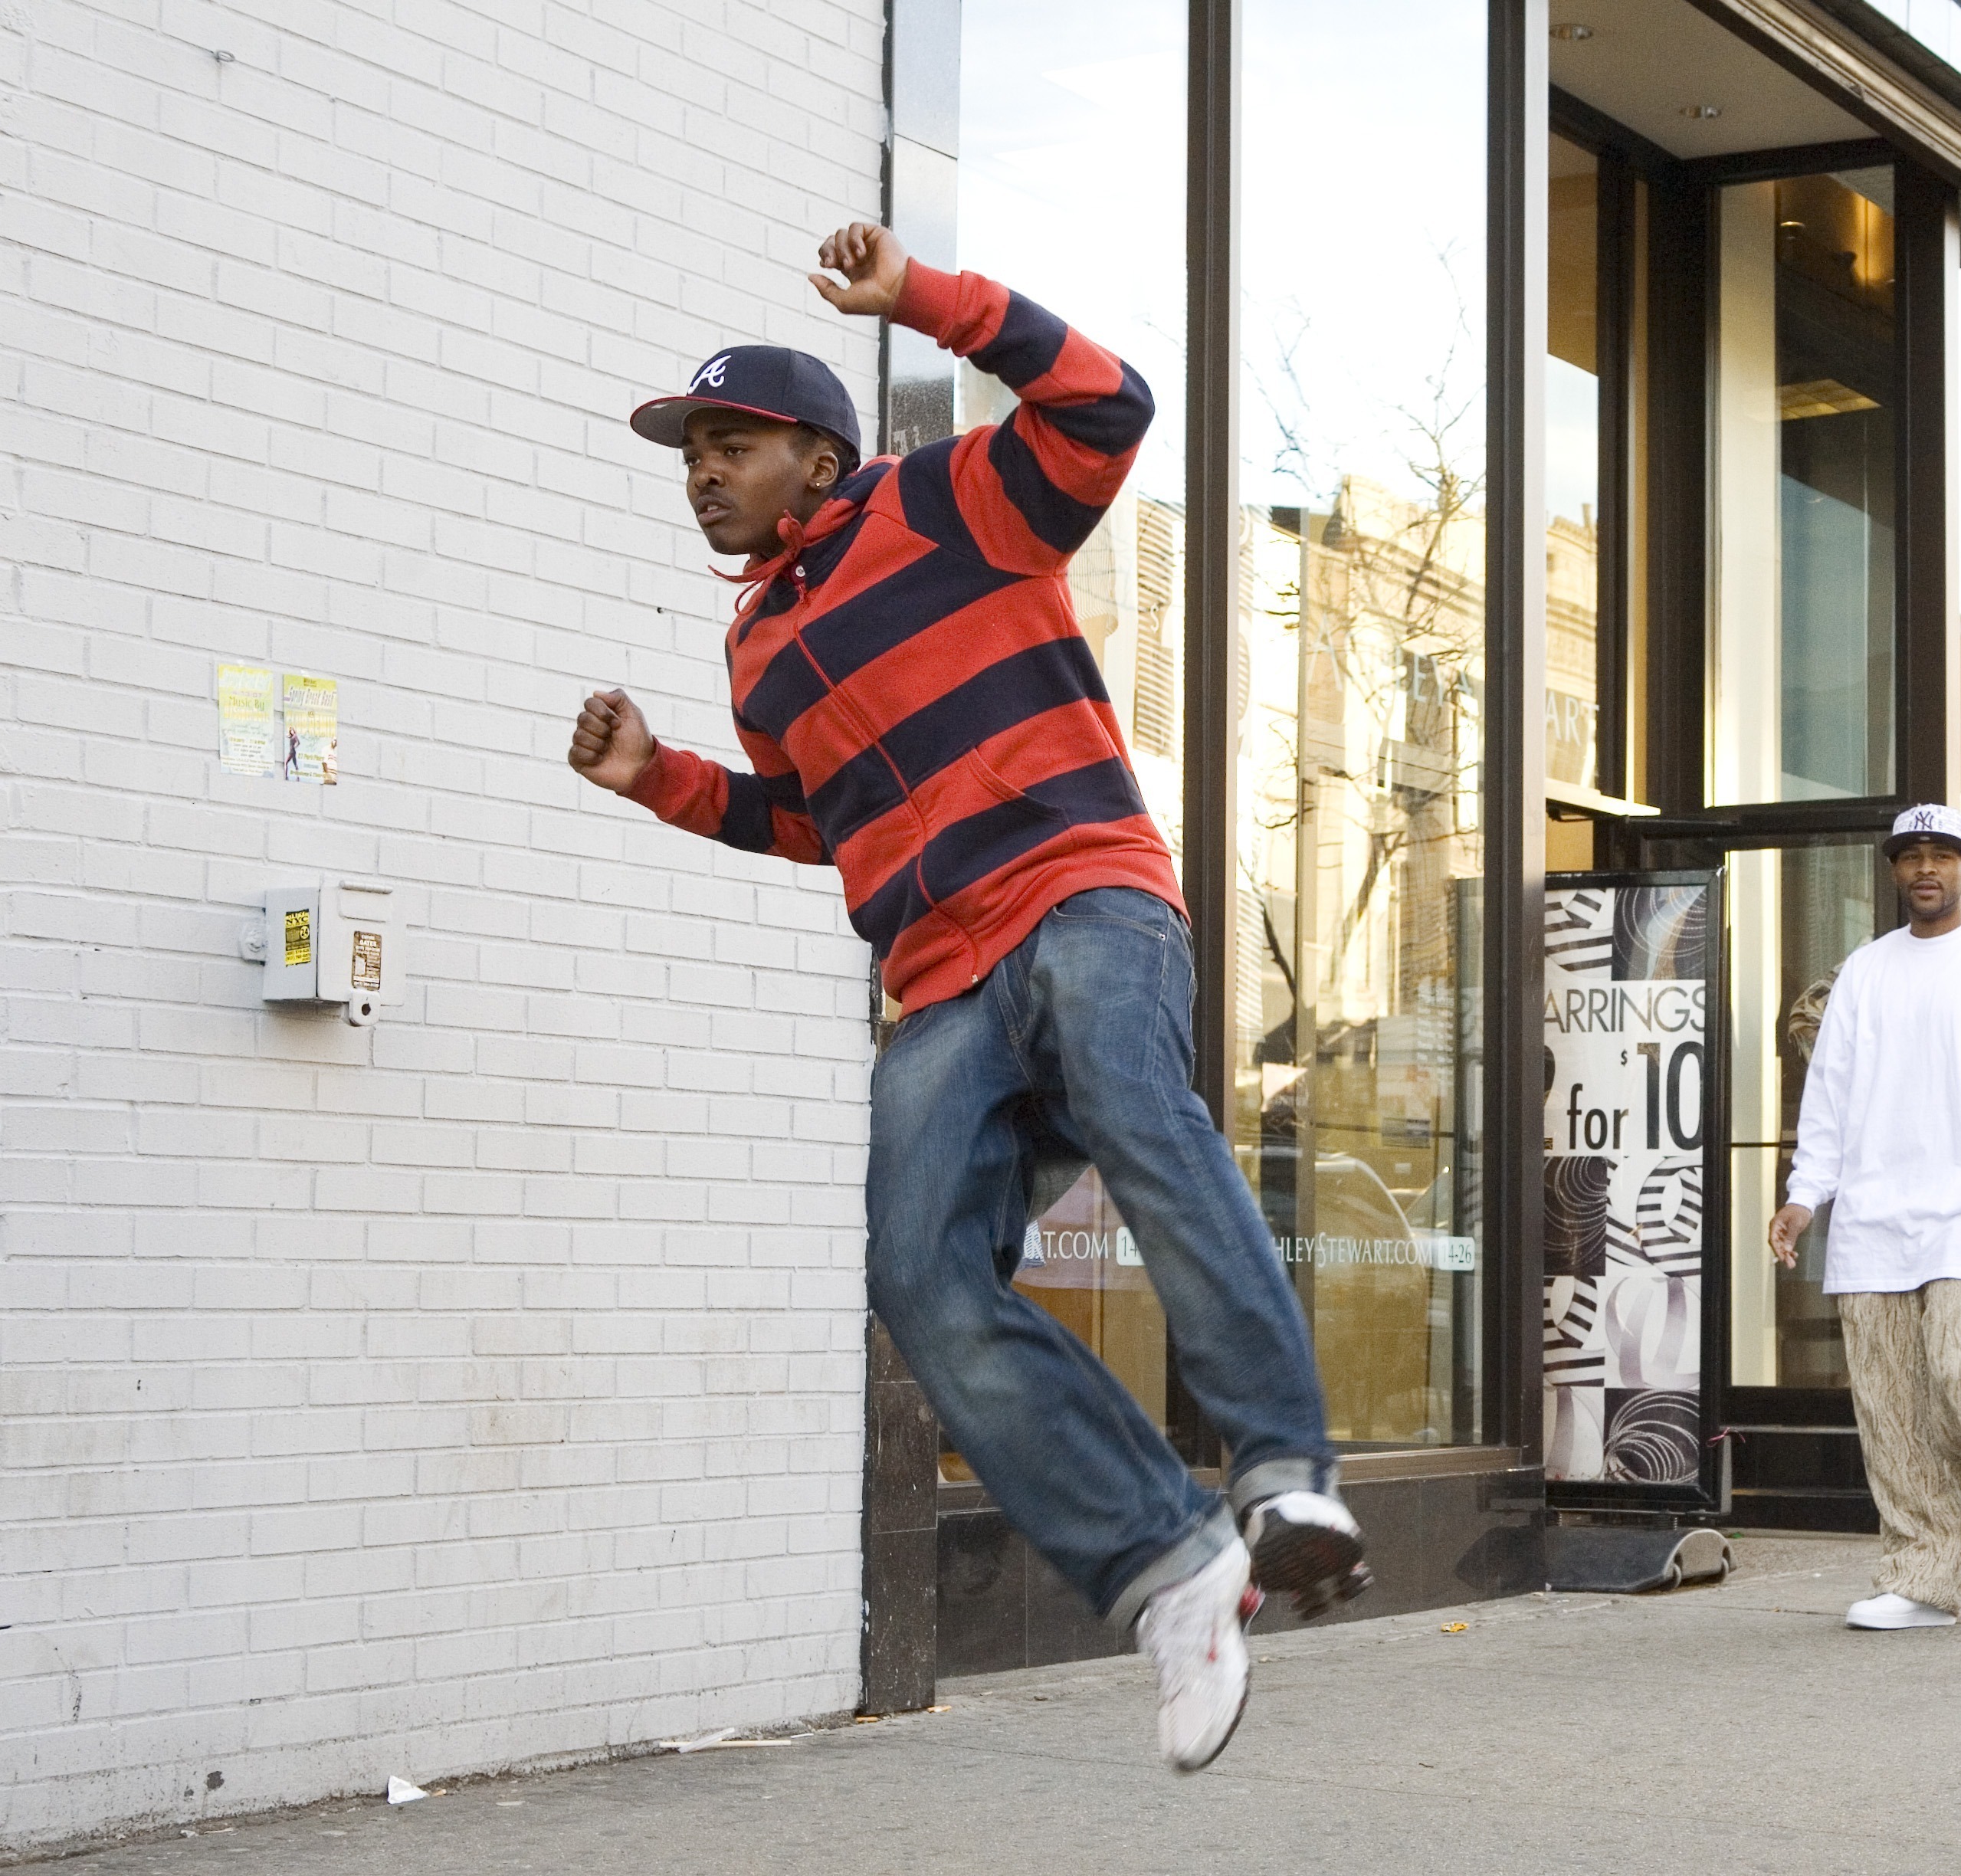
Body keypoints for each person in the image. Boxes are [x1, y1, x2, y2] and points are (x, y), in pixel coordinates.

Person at [564, 221, 1367, 1774]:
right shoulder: (759, 644)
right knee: (920, 1275)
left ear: (816, 450)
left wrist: (928, 302)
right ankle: (1171, 1569)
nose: (702, 474)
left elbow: (1107, 408)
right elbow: (823, 817)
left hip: (1081, 892)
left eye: (730, 445)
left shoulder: (951, 503)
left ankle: (1280, 1475)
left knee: (1144, 1118)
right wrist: (660, 779)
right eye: (689, 456)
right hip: (937, 981)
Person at [1769, 804, 1961, 1633]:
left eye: (1943, 855)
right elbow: (1827, 1098)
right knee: (1891, 1404)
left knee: (1960, 1368)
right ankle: (1921, 1576)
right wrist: (1805, 1197)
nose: (1927, 868)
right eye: (1912, 857)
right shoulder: (1865, 972)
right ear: (1895, 871)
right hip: (1873, 1216)